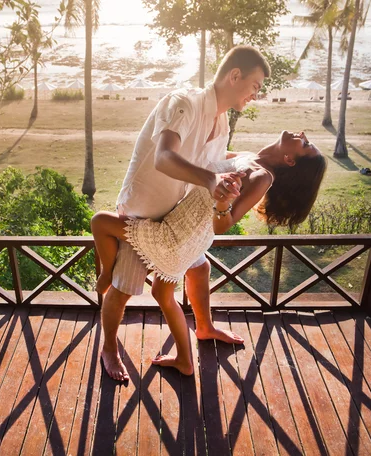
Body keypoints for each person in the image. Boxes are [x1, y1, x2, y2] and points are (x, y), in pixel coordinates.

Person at [99, 45, 270, 381]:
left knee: (200, 268)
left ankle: (203, 328)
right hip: (142, 215)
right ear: (234, 76)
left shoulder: (221, 123)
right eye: (255, 85)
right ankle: (108, 347)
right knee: (122, 290)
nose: (256, 94)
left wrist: (243, 161)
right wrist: (211, 180)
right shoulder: (184, 103)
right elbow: (164, 157)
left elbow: (211, 162)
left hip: (175, 222)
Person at [92, 131, 327, 376]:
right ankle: (198, 337)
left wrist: (223, 203)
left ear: (290, 159)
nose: (302, 135)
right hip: (192, 233)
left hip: (175, 235)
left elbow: (223, 225)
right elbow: (205, 158)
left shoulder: (261, 177)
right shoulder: (252, 158)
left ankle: (107, 276)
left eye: (306, 144)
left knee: (101, 222)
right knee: (187, 278)